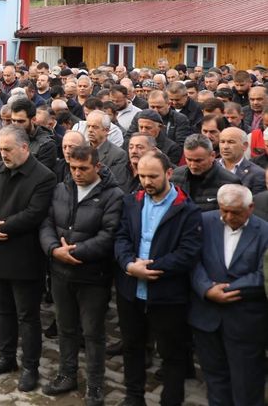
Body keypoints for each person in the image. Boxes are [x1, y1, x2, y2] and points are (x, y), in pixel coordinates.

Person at [114, 150, 203, 406]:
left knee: (172, 355)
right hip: (131, 290)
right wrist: (129, 264)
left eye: (152, 176)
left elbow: (187, 253)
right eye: (141, 176)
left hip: (167, 296)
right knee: (132, 347)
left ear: (168, 173)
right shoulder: (132, 201)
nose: (146, 181)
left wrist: (152, 268)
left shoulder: (187, 210)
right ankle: (134, 397)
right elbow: (121, 237)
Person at [39, 144, 123, 405]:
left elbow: (109, 235)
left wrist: (76, 252)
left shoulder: (113, 195)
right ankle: (67, 374)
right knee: (65, 327)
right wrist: (54, 250)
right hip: (60, 273)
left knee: (92, 333)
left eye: (83, 168)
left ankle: (95, 384)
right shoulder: (61, 189)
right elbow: (47, 224)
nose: (77, 173)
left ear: (97, 166)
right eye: (73, 168)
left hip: (93, 276)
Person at [0, 125, 56, 391]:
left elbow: (35, 213)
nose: (3, 154)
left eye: (8, 149)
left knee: (27, 316)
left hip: (24, 257)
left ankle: (30, 367)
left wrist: (1, 227)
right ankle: (7, 357)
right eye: (0, 149)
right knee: (3, 311)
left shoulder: (44, 176)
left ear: (24, 147)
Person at [190, 184, 268, 406]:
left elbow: (263, 274)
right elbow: (193, 261)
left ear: (250, 208)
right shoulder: (204, 222)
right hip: (207, 318)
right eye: (224, 210)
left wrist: (227, 290)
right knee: (215, 380)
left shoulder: (264, 232)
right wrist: (206, 288)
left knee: (247, 384)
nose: (227, 216)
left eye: (235, 212)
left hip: (245, 321)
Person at [171, 134, 241, 212]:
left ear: (212, 156)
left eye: (198, 161)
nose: (193, 165)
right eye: (189, 160)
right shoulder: (175, 176)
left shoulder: (230, 183)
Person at [85, 110, 129, 189]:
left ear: (106, 130)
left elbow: (115, 183)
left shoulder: (118, 155)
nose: (90, 130)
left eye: (95, 127)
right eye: (88, 126)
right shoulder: (81, 150)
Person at [218, 127, 266, 195]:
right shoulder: (209, 166)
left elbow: (257, 202)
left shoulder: (258, 174)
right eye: (222, 142)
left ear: (245, 145)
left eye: (231, 142)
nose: (225, 147)